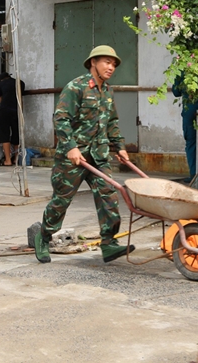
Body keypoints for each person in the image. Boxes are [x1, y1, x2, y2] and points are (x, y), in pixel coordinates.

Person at [34, 45, 133, 264]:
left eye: (113, 64)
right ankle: (43, 236)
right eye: (106, 62)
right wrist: (70, 147)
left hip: (98, 155)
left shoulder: (107, 91)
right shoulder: (76, 87)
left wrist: (120, 146)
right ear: (93, 63)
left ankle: (108, 243)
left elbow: (112, 122)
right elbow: (61, 119)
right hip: (73, 157)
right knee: (61, 201)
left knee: (109, 196)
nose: (111, 67)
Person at [172, 73, 198, 182]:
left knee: (192, 141)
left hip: (190, 109)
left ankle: (196, 174)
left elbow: (176, 92)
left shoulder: (182, 69)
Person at [0, 72, 25, 166]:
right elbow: (20, 98)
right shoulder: (20, 83)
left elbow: (0, 99)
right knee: (16, 133)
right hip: (16, 111)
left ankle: (8, 160)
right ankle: (16, 158)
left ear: (1, 79)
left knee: (4, 134)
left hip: (4, 111)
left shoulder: (1, 84)